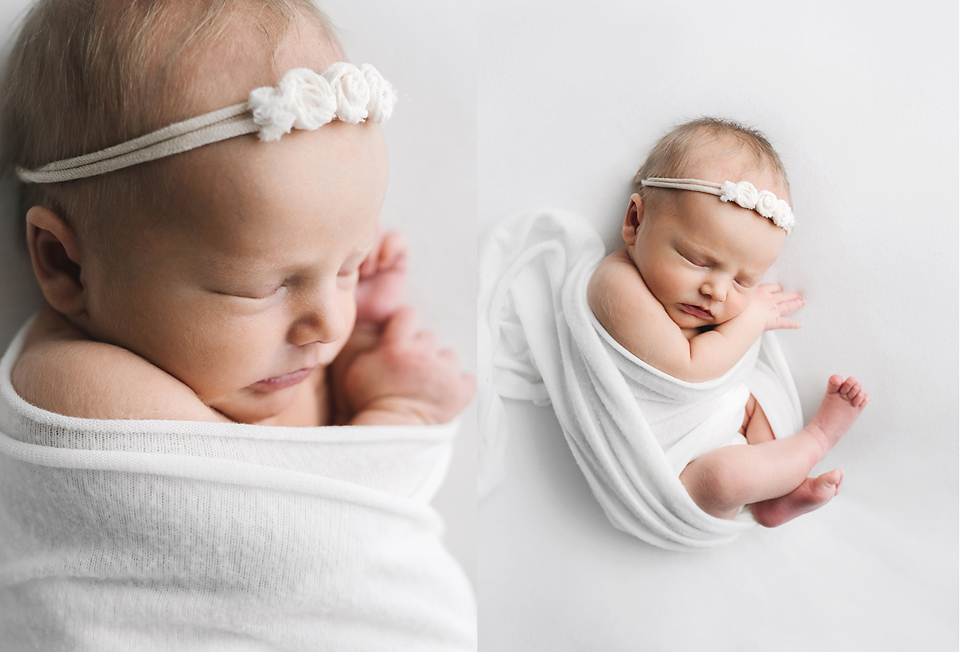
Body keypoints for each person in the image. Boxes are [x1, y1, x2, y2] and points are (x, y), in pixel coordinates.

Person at [0, 0, 476, 647]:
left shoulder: (241, 363)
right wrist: (397, 412)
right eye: (266, 284)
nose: (327, 324)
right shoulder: (70, 388)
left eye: (350, 266)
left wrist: (357, 349)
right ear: (65, 265)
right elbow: (298, 539)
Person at [587, 118, 867, 527]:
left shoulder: (697, 296)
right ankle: (818, 439)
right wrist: (752, 316)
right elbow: (689, 368)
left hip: (721, 413)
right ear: (635, 221)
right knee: (722, 479)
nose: (716, 292)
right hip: (677, 473)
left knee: (761, 402)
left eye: (743, 281)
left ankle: (773, 497)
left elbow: (721, 377)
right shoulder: (615, 284)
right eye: (698, 261)